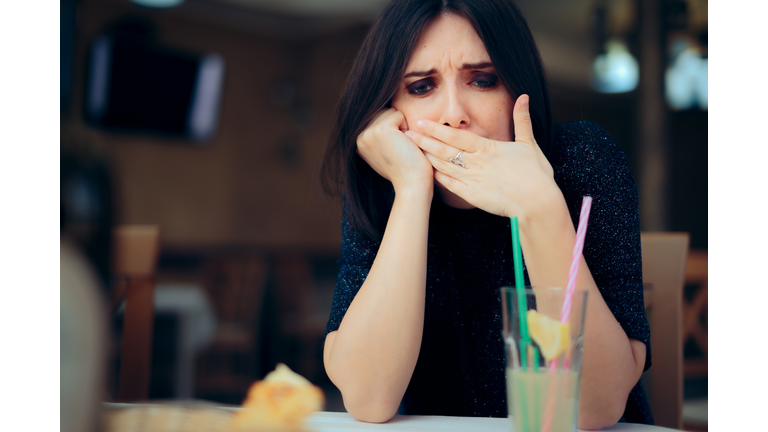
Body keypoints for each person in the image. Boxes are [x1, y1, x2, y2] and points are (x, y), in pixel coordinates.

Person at [320, 0, 652, 428]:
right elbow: (369, 399)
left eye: (482, 80)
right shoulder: (385, 182)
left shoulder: (582, 159)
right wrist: (411, 189)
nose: (455, 114)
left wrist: (539, 205)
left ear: (517, 86)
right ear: (390, 111)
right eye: (421, 87)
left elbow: (596, 408)